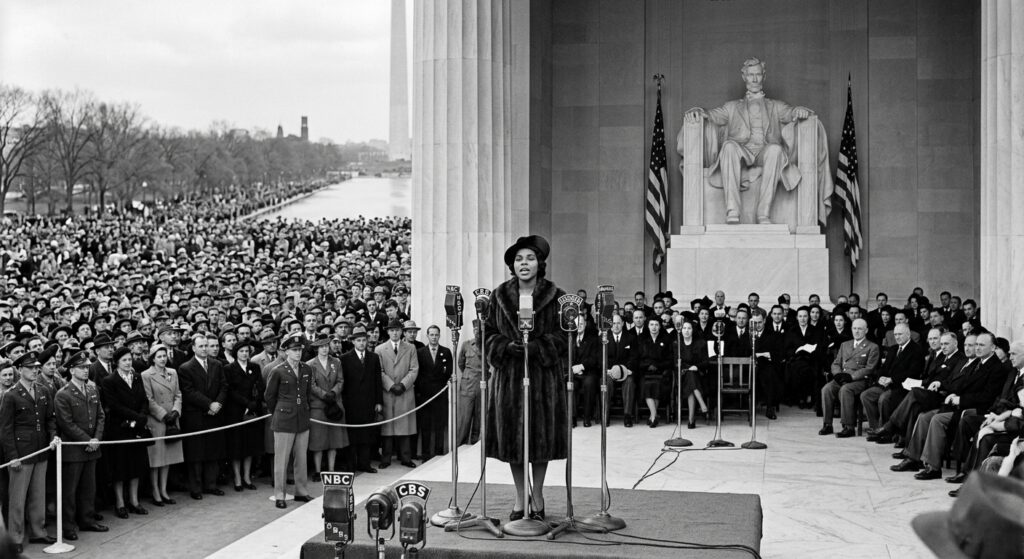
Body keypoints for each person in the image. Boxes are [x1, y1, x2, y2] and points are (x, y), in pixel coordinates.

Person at [485, 234, 567, 522]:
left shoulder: (556, 297)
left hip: (543, 380)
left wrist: (538, 347)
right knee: (514, 442)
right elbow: (488, 335)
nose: (524, 263)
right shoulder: (498, 295)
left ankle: (539, 496)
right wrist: (506, 347)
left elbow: (564, 338)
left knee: (540, 441)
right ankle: (520, 498)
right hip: (508, 380)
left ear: (540, 263)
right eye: (519, 259)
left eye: (530, 258)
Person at [892, 332, 1007, 480]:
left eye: (981, 345)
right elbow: (962, 384)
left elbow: (987, 397)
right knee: (924, 417)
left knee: (937, 420)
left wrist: (961, 399)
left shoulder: (996, 368)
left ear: (992, 348)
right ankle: (913, 458)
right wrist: (953, 395)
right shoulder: (978, 362)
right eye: (976, 344)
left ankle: (933, 467)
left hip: (975, 410)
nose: (977, 348)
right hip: (958, 404)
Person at [0, 351, 58, 552]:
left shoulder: (42, 390)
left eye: (36, 367)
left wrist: (53, 437)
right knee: (17, 498)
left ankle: (38, 532)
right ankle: (15, 538)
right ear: (20, 370)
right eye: (31, 368)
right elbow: (6, 429)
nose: (35, 370)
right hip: (21, 453)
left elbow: (50, 419)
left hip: (41, 449)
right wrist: (12, 456)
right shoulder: (11, 395)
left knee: (38, 495)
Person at [53, 349, 108, 540]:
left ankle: (87, 519)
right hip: (74, 449)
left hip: (92, 446)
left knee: (88, 487)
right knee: (70, 490)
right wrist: (88, 440)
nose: (86, 371)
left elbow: (101, 415)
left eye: (87, 367)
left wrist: (97, 439)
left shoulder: (93, 389)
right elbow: (66, 424)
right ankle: (68, 526)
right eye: (81, 368)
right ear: (71, 370)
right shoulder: (63, 394)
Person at [264, 332, 314, 508]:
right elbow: (269, 396)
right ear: (285, 352)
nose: (298, 353)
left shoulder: (307, 369)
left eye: (299, 349)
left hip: (302, 417)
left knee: (301, 458)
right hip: (284, 418)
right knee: (282, 459)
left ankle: (301, 491)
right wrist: (278, 411)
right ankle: (280, 494)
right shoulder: (278, 371)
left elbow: (307, 394)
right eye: (294, 350)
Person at [100, 346, 151, 519]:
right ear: (117, 362)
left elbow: (144, 399)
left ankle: (135, 501)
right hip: (119, 428)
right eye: (124, 360)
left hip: (136, 428)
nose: (128, 363)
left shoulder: (137, 377)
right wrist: (136, 416)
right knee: (119, 468)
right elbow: (114, 405)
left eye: (130, 359)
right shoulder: (109, 381)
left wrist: (142, 417)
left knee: (136, 465)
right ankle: (120, 502)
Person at [178, 333, 228, 500]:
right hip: (196, 416)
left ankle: (211, 485)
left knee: (213, 451)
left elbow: (224, 386)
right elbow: (189, 392)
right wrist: (209, 404)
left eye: (206, 345)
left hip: (214, 415)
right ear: (193, 348)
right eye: (201, 346)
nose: (205, 349)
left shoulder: (217, 364)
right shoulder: (185, 368)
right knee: (196, 454)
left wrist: (218, 404)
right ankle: (196, 488)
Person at [140, 344, 184, 506]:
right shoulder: (146, 375)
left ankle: (164, 489)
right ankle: (155, 491)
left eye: (164, 356)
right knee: (157, 458)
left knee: (168, 457)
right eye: (159, 356)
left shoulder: (172, 372)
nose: (163, 359)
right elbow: (148, 399)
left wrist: (175, 411)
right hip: (158, 420)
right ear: (152, 358)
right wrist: (163, 415)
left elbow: (178, 394)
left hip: (172, 418)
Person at [819, 318, 879, 438]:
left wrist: (851, 377)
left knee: (845, 390)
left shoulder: (872, 347)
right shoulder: (845, 344)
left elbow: (869, 368)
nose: (857, 331)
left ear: (866, 330)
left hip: (859, 380)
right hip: (842, 377)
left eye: (860, 329)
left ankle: (848, 426)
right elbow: (836, 363)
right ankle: (827, 424)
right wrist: (838, 375)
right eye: (854, 328)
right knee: (826, 389)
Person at [859, 324, 925, 430]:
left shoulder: (916, 350)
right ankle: (875, 428)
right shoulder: (893, 349)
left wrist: (892, 379)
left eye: (900, 334)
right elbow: (884, 368)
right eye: (895, 334)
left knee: (884, 399)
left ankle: (885, 430)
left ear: (908, 334)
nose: (897, 337)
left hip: (902, 387)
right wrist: (880, 377)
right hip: (886, 385)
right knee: (866, 395)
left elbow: (913, 373)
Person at [375, 318, 419, 468]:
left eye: (398, 330)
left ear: (402, 332)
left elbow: (414, 369)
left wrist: (403, 384)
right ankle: (386, 458)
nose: (395, 333)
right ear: (388, 332)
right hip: (388, 392)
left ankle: (405, 457)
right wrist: (390, 385)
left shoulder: (410, 348)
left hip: (404, 392)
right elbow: (379, 371)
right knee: (387, 426)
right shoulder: (380, 349)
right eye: (392, 330)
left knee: (404, 425)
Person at [339, 326, 383, 472]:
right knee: (352, 435)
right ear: (353, 342)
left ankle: (365, 464)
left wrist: (378, 401)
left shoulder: (374, 357)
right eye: (358, 340)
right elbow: (343, 382)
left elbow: (378, 381)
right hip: (351, 402)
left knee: (367, 434)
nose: (362, 343)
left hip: (368, 401)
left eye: (364, 340)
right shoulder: (344, 359)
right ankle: (351, 465)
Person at [224, 338, 265, 492]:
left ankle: (247, 477)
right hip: (236, 411)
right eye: (241, 351)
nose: (244, 354)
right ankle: (237, 478)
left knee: (250, 446)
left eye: (247, 351)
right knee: (236, 447)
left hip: (252, 411)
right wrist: (246, 403)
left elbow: (260, 386)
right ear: (236, 353)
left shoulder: (254, 367)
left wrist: (254, 402)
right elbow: (230, 390)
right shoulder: (229, 368)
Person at [306, 334, 347, 475]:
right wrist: (324, 395)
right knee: (318, 441)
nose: (324, 349)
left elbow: (341, 380)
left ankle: (331, 469)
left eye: (326, 346)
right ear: (316, 348)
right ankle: (318, 471)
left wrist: (334, 393)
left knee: (333, 440)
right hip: (318, 406)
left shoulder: (336, 362)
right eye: (321, 346)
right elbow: (310, 385)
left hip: (334, 404)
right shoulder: (310, 364)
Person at [415, 325, 451, 461]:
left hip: (440, 395)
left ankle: (439, 454)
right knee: (425, 426)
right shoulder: (420, 352)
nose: (434, 337)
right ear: (427, 336)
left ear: (439, 336)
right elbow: (418, 374)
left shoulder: (446, 352)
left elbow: (448, 373)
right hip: (425, 395)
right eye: (432, 335)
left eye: (436, 335)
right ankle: (425, 455)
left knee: (439, 425)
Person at [455, 320, 484, 445]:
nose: (477, 332)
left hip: (482, 384)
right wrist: (468, 375)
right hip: (467, 385)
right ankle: (460, 445)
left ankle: (473, 444)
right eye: (475, 330)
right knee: (464, 419)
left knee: (479, 418)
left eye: (480, 330)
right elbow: (461, 363)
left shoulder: (487, 346)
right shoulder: (466, 345)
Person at [677, 320, 709, 429]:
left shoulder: (700, 343)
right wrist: (687, 368)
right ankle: (700, 403)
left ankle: (691, 419)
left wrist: (697, 367)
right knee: (690, 377)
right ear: (681, 330)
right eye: (684, 328)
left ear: (693, 330)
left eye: (689, 328)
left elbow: (706, 362)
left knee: (691, 379)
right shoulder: (677, 343)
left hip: (698, 374)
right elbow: (676, 362)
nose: (686, 331)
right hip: (682, 374)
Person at [569, 315, 600, 427]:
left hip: (588, 371)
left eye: (581, 324)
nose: (579, 326)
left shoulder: (593, 339)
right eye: (577, 324)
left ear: (585, 324)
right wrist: (573, 368)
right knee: (570, 384)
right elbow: (564, 357)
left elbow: (595, 358)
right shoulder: (569, 338)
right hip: (573, 371)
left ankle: (587, 417)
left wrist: (582, 366)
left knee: (589, 383)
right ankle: (572, 417)